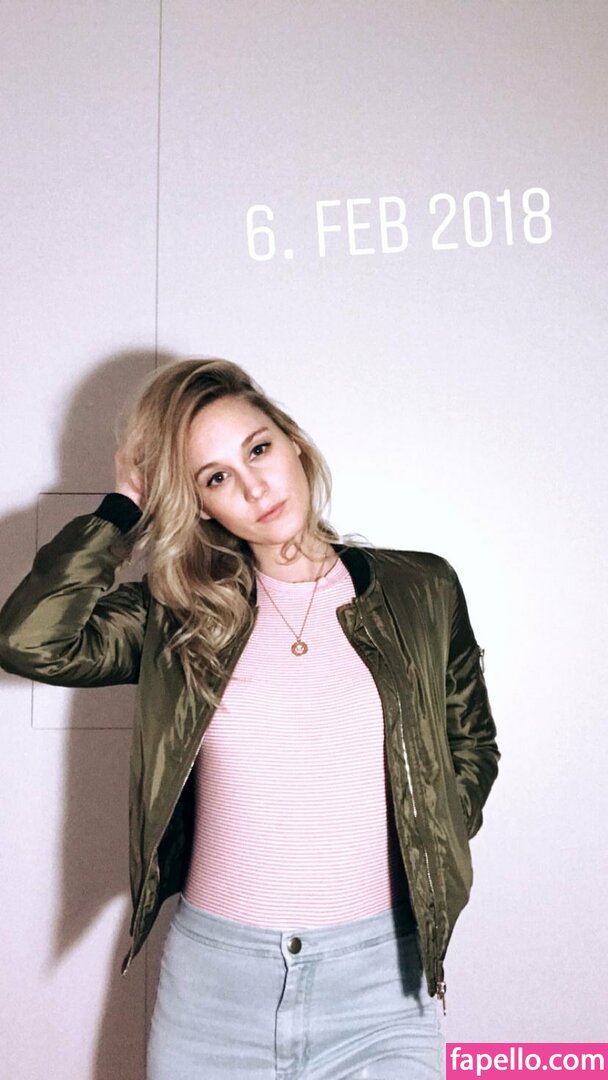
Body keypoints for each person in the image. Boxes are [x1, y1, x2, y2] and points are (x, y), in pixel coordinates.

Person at [0, 357, 499, 1079]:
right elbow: (30, 640)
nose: (254, 486)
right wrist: (123, 507)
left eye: (258, 449)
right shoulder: (178, 614)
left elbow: (470, 742)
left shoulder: (420, 587)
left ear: (292, 440)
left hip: (380, 984)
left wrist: (428, 834)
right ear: (201, 505)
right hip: (215, 993)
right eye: (216, 477)